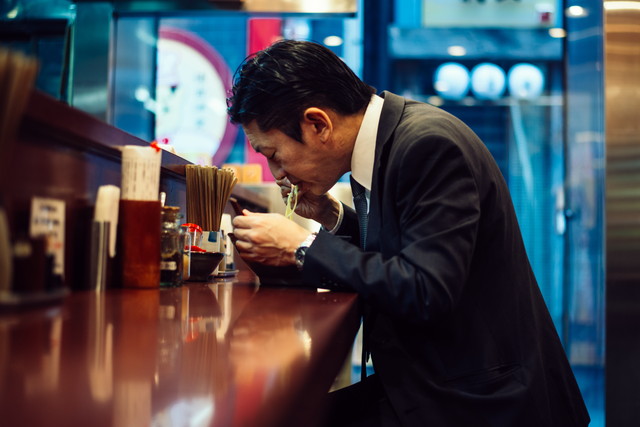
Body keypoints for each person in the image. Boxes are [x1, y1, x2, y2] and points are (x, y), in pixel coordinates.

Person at [227, 39, 590, 427]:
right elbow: (400, 249)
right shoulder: (387, 140)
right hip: (439, 379)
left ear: (318, 124)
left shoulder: (428, 145)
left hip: (482, 399)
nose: (276, 173)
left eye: (273, 154)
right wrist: (333, 216)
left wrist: (301, 246)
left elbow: (426, 289)